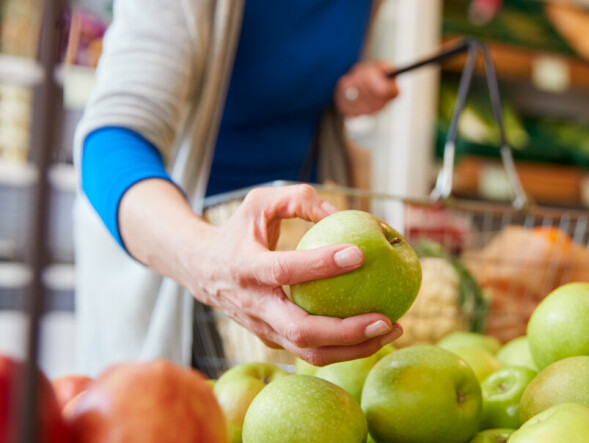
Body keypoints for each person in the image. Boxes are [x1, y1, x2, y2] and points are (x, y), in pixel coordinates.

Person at [73, 0, 404, 375]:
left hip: (290, 248)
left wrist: (344, 92)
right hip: (177, 243)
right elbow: (108, 147)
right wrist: (208, 258)